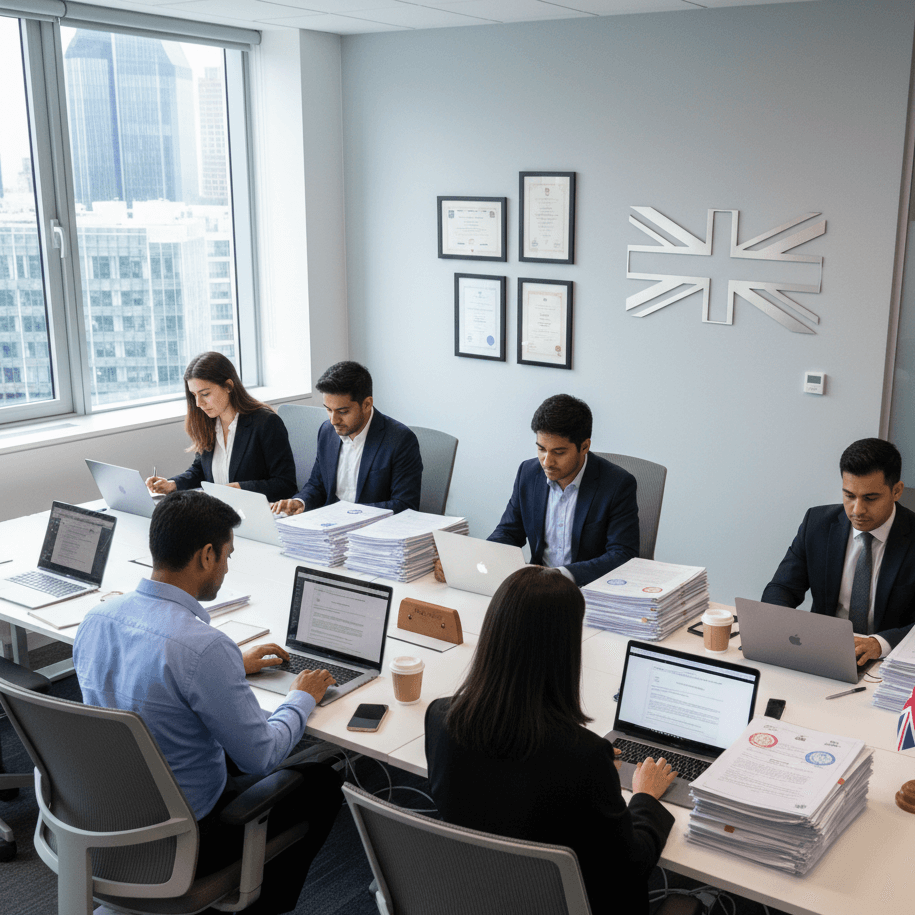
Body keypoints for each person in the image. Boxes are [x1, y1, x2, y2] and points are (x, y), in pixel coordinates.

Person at [74, 491, 341, 914]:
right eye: (228, 555)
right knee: (324, 779)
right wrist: (301, 698)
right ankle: (254, 902)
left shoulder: (97, 619)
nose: (228, 566)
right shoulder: (203, 649)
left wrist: (231, 664)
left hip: (104, 814)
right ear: (206, 555)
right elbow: (262, 756)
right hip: (183, 838)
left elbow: (162, 670)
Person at [425, 566, 675, 915]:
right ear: (566, 648)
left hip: (478, 895)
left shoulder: (440, 718)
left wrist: (597, 774)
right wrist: (646, 797)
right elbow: (630, 867)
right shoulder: (585, 758)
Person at [762, 437, 915, 665]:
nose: (857, 510)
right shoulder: (817, 524)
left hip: (890, 662)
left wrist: (879, 644)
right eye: (849, 495)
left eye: (870, 498)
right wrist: (783, 628)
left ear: (896, 491)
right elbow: (782, 588)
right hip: (822, 652)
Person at [484, 393, 639, 586]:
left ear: (584, 447)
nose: (547, 462)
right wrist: (480, 559)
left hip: (587, 588)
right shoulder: (528, 473)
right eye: (541, 449)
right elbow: (508, 532)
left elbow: (622, 555)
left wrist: (559, 575)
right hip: (537, 588)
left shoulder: (617, 484)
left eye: (559, 452)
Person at [271, 360, 422, 515]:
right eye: (328, 409)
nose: (333, 420)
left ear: (367, 404)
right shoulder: (326, 431)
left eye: (342, 412)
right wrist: (301, 501)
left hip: (371, 530)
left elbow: (405, 505)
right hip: (329, 526)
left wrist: (349, 513)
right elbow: (318, 485)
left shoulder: (401, 440)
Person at [147, 351, 297, 503]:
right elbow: (200, 470)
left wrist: (240, 489)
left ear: (229, 386)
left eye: (205, 394)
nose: (198, 403)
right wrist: (173, 484)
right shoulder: (208, 422)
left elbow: (286, 484)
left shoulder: (266, 423)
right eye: (194, 395)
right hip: (219, 512)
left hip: (253, 512)